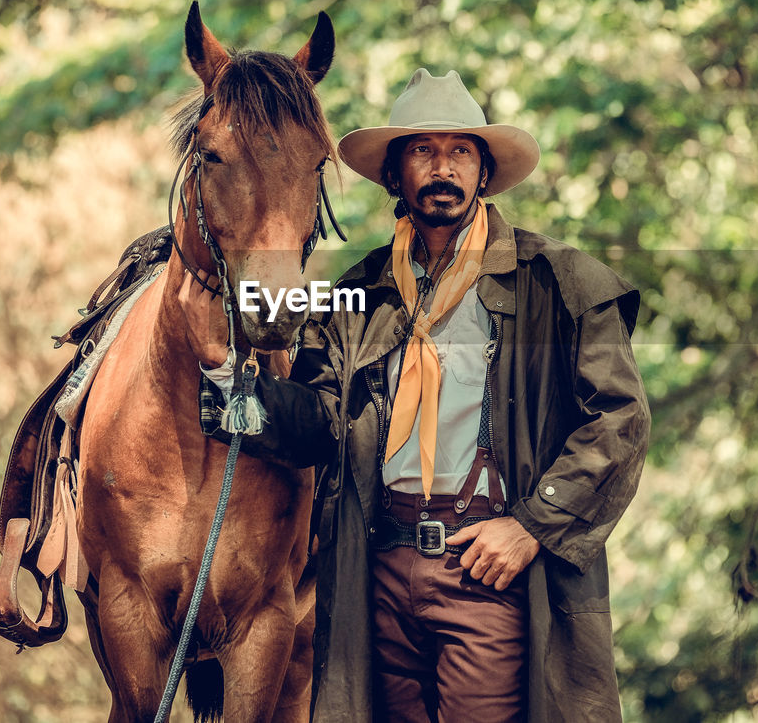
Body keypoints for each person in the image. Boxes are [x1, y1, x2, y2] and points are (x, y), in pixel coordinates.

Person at [184, 68, 650, 722]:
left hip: (487, 573)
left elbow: (621, 424)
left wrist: (531, 525)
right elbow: (317, 422)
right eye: (422, 151)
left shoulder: (559, 282)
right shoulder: (356, 295)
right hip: (378, 575)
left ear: (484, 172)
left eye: (461, 151)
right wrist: (225, 377)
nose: (443, 167)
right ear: (394, 176)